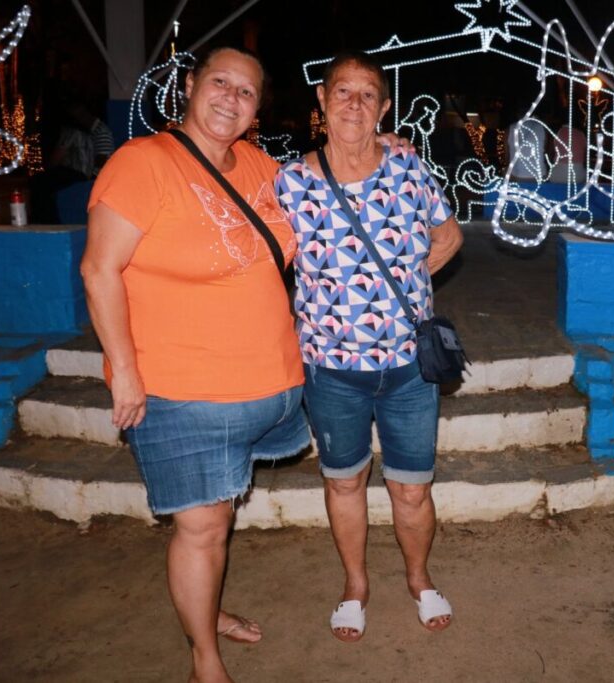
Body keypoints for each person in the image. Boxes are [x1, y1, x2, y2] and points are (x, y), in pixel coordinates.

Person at [80, 47, 309, 683]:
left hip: (267, 384)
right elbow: (98, 270)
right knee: (204, 527)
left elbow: (329, 194)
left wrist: (383, 146)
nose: (231, 98)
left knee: (218, 517)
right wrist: (125, 371)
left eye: (246, 91)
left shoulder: (261, 166)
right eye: (220, 82)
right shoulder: (143, 162)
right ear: (189, 85)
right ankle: (204, 659)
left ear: (257, 110)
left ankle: (205, 611)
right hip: (182, 391)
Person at [275, 50, 464, 644]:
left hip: (409, 368)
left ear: (384, 107)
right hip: (331, 370)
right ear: (322, 100)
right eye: (342, 91)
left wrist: (407, 281)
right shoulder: (288, 182)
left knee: (412, 487)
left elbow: (448, 235)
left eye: (367, 95)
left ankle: (419, 579)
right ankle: (355, 586)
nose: (353, 104)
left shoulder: (408, 168)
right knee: (344, 483)